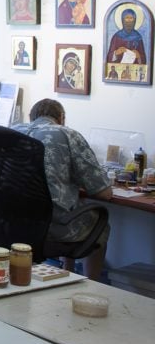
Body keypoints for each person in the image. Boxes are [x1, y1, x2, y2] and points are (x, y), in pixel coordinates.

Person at [13, 99, 112, 280]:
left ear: (31, 117)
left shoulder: (13, 131)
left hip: (10, 222)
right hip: (51, 227)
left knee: (73, 206)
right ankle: (92, 287)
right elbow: (103, 192)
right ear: (61, 117)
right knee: (100, 224)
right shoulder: (68, 135)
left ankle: (68, 274)